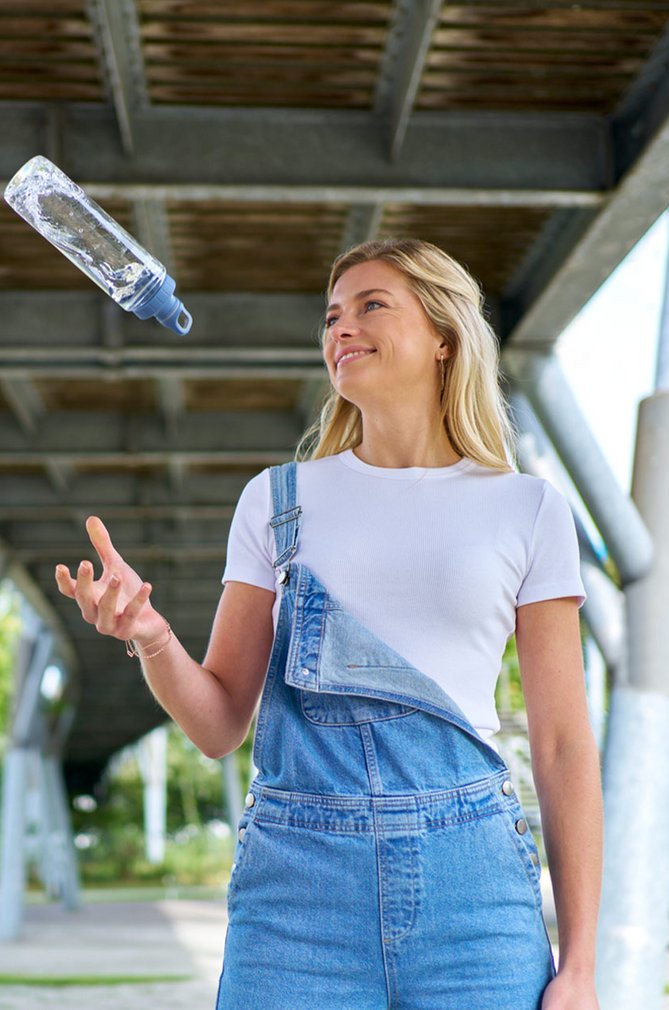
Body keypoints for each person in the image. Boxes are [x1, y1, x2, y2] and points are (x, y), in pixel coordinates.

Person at [55, 238, 603, 1010]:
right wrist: (151, 635)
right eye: (331, 316)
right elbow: (218, 726)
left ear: (444, 336)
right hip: (295, 900)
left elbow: (562, 744)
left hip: (473, 894)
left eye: (371, 305)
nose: (340, 327)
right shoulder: (277, 499)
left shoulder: (527, 508)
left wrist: (578, 966)